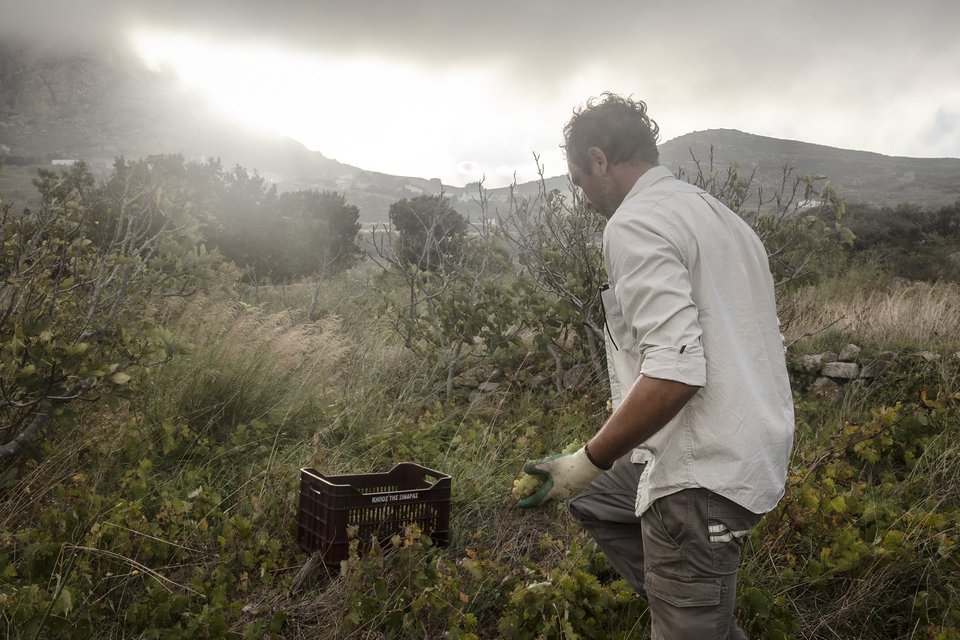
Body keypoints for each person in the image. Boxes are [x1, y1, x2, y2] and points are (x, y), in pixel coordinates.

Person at [517, 93, 795, 639]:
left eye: (578, 181)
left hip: (701, 474)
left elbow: (675, 370)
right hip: (747, 448)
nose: (584, 197)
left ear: (598, 160)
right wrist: (592, 476)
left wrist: (585, 460)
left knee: (594, 488)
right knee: (596, 501)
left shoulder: (634, 223)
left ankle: (692, 606)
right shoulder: (724, 219)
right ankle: (693, 603)